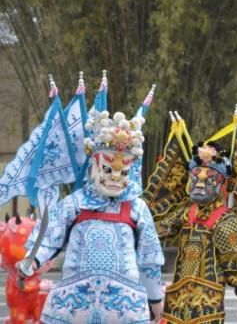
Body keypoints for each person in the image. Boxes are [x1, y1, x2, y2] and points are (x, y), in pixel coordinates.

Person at [18, 78, 165, 323]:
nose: (116, 177)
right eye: (108, 169)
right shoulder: (75, 203)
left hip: (124, 306)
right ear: (95, 165)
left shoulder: (136, 207)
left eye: (123, 171)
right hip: (74, 304)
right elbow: (49, 237)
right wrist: (32, 259)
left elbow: (149, 258)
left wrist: (155, 298)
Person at [144, 108, 237, 323]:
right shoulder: (186, 213)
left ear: (220, 183)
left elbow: (234, 261)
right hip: (177, 300)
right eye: (196, 178)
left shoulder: (225, 220)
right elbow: (160, 229)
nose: (200, 183)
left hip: (206, 304)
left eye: (209, 179)